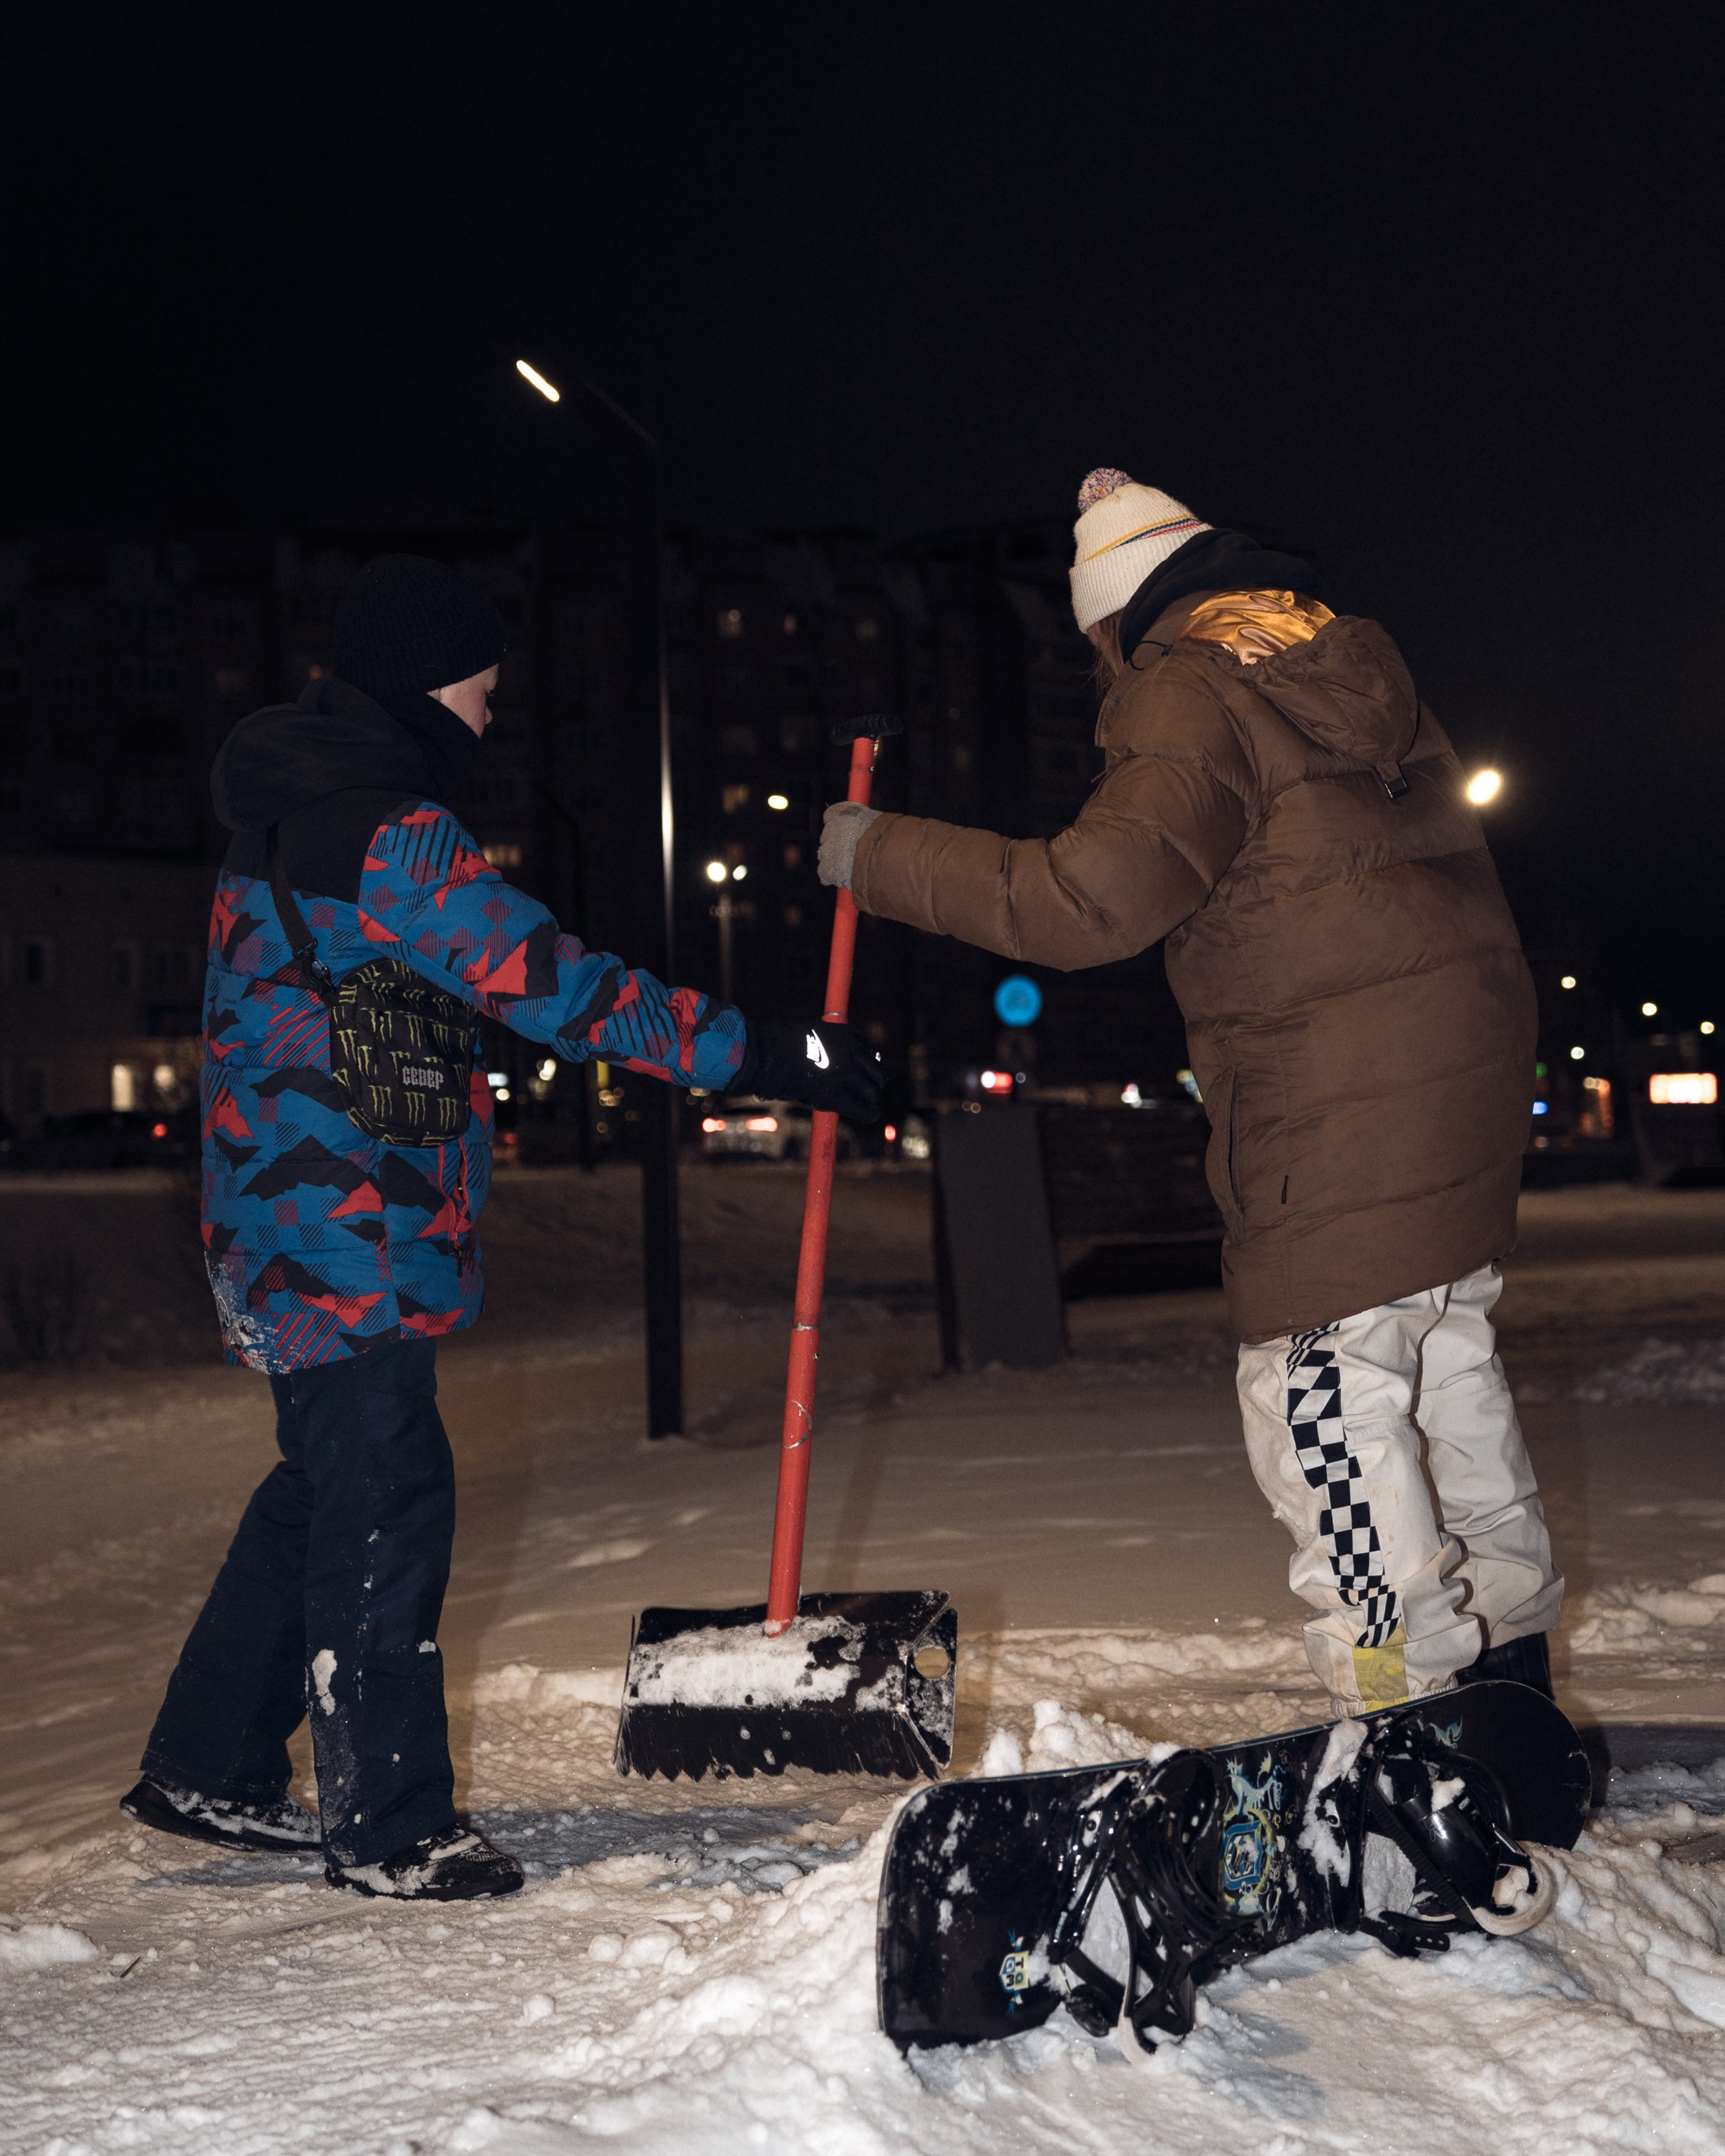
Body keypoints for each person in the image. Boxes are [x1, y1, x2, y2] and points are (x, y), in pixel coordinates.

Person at [124, 553, 882, 1900]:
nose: (488, 713)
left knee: (325, 1488)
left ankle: (211, 1757)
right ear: (428, 681)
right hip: (343, 1219)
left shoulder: (285, 814)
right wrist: (773, 1051)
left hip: (279, 1216)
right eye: (480, 687)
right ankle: (392, 1825)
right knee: (387, 1501)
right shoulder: (387, 826)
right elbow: (562, 989)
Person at [819, 469, 1561, 1722]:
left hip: (1338, 1111)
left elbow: (1088, 897)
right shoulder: (1342, 660)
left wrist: (879, 854)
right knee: (1444, 1376)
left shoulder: (1189, 682)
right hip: (1459, 1085)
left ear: (1113, 615)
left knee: (1321, 1405)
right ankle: (1513, 1677)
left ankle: (1411, 1720)